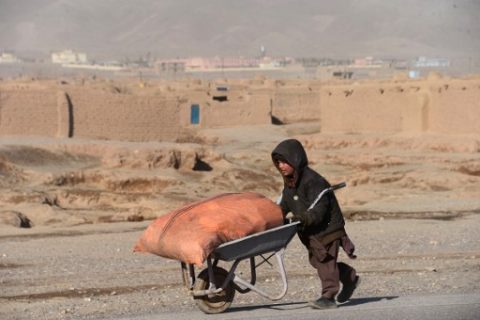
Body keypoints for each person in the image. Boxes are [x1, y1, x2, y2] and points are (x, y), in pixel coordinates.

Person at [271, 138, 360, 309]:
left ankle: (328, 296)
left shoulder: (313, 181)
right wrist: (272, 218)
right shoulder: (290, 184)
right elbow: (284, 206)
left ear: (295, 159)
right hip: (312, 232)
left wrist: (301, 219)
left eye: (284, 161)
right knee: (318, 262)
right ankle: (350, 277)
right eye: (278, 162)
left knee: (325, 263)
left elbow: (319, 210)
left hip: (328, 229)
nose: (281, 166)